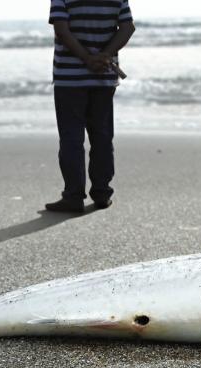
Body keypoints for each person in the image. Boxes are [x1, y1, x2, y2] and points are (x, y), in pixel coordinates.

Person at [45, 0, 135, 213]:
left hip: (70, 77)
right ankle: (102, 193)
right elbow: (128, 27)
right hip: (103, 76)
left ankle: (73, 196)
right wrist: (105, 55)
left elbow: (62, 31)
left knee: (71, 139)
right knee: (102, 136)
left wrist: (86, 58)